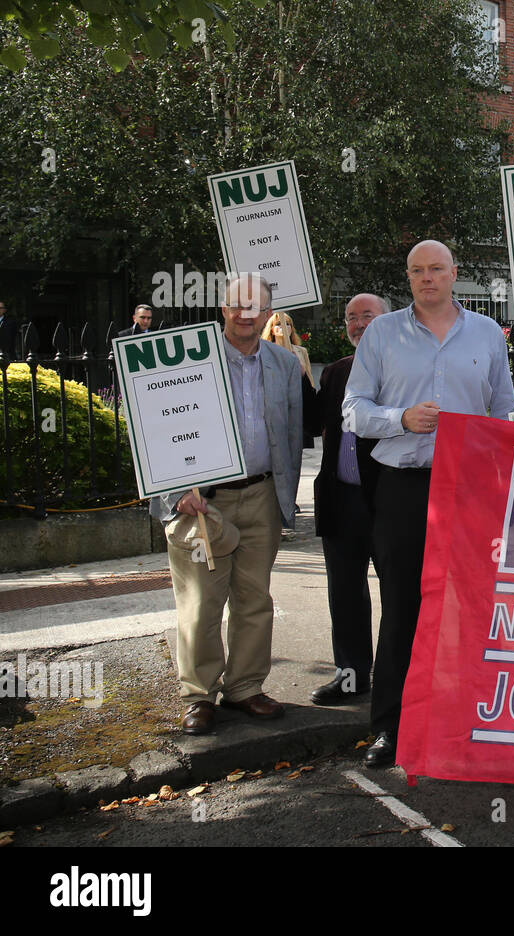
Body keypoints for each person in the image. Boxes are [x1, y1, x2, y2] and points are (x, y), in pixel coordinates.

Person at [342, 239, 514, 768]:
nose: (426, 278)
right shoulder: (382, 332)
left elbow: (504, 410)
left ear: (454, 273)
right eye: (417, 271)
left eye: (436, 269)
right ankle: (389, 728)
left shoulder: (487, 333)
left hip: (467, 489)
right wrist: (401, 419)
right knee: (401, 608)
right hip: (404, 488)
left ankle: (464, 719)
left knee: (468, 605)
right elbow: (353, 409)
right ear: (409, 278)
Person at [151, 273, 303, 735]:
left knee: (254, 600)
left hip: (260, 499)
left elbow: (292, 435)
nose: (245, 315)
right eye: (236, 305)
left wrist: (285, 500)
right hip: (203, 505)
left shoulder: (283, 363)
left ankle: (245, 687)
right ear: (222, 308)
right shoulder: (188, 361)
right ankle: (198, 695)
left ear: (268, 313)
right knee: (200, 604)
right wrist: (175, 492)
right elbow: (159, 427)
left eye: (255, 307)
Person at [309, 293, 387, 706]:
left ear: (389, 322)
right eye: (352, 318)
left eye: (368, 316)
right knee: (345, 594)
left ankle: (401, 681)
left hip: (389, 502)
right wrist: (296, 367)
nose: (359, 324)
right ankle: (352, 678)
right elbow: (312, 422)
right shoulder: (335, 373)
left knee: (399, 595)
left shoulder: (403, 370)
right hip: (341, 502)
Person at [262, 310, 315, 388]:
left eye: (287, 324)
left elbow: (309, 379)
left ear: (291, 329)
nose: (283, 326)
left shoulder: (302, 351)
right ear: (272, 330)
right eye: (278, 324)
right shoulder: (264, 351)